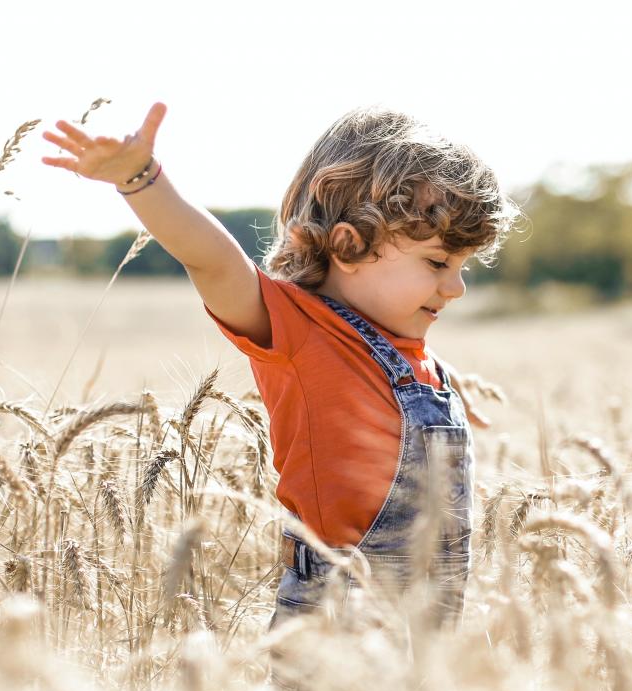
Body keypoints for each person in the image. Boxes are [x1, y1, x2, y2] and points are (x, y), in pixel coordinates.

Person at [40, 102, 519, 635]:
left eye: (462, 266)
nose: (457, 288)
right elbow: (214, 260)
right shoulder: (299, 330)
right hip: (336, 622)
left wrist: (446, 393)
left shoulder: (412, 356)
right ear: (347, 244)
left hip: (429, 628)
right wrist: (140, 179)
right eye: (437, 263)